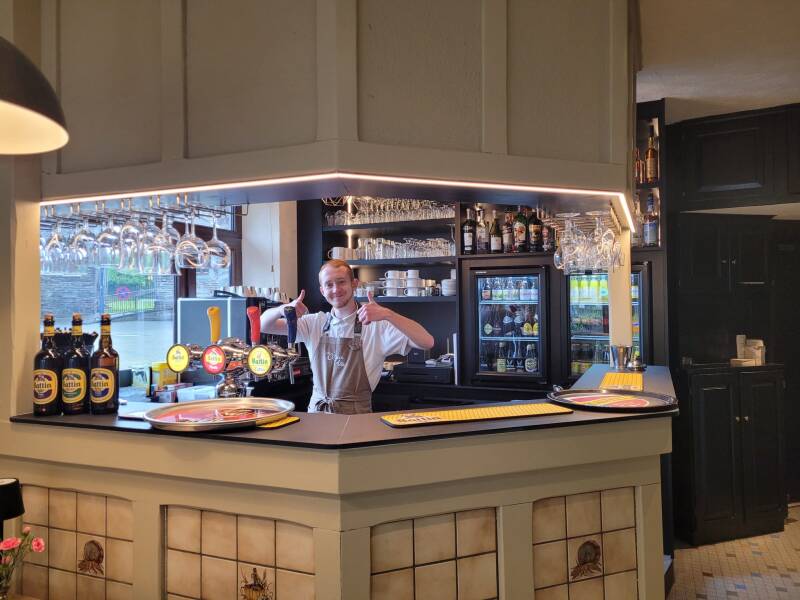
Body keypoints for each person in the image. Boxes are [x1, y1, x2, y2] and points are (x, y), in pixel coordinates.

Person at [260, 259, 435, 414]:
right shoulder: (313, 323)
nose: (336, 289)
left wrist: (388, 314)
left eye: (341, 282)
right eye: (329, 284)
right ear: (322, 290)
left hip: (356, 420)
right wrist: (282, 309)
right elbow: (263, 325)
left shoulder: (377, 325)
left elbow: (427, 342)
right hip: (317, 417)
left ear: (354, 284)